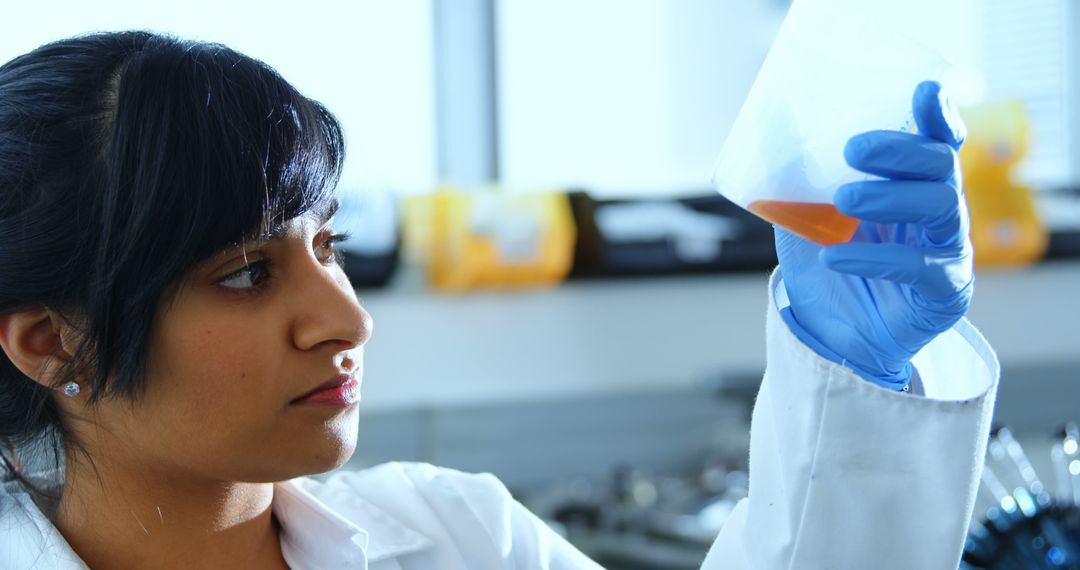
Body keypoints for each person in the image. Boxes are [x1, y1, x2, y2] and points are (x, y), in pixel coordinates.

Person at [0, 32, 996, 569]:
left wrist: (854, 362)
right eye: (247, 274)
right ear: (50, 341)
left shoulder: (457, 536)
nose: (345, 320)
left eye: (328, 247)